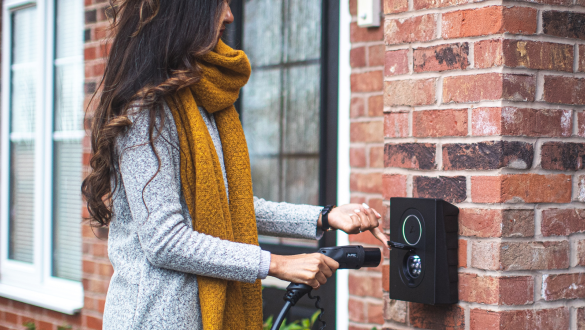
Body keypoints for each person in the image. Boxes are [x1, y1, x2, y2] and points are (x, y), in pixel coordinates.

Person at [81, 1, 389, 329]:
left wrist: (324, 216)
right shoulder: (147, 112)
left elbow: (230, 208)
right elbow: (165, 240)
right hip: (155, 319)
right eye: (219, 3)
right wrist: (276, 264)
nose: (229, 14)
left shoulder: (205, 106)